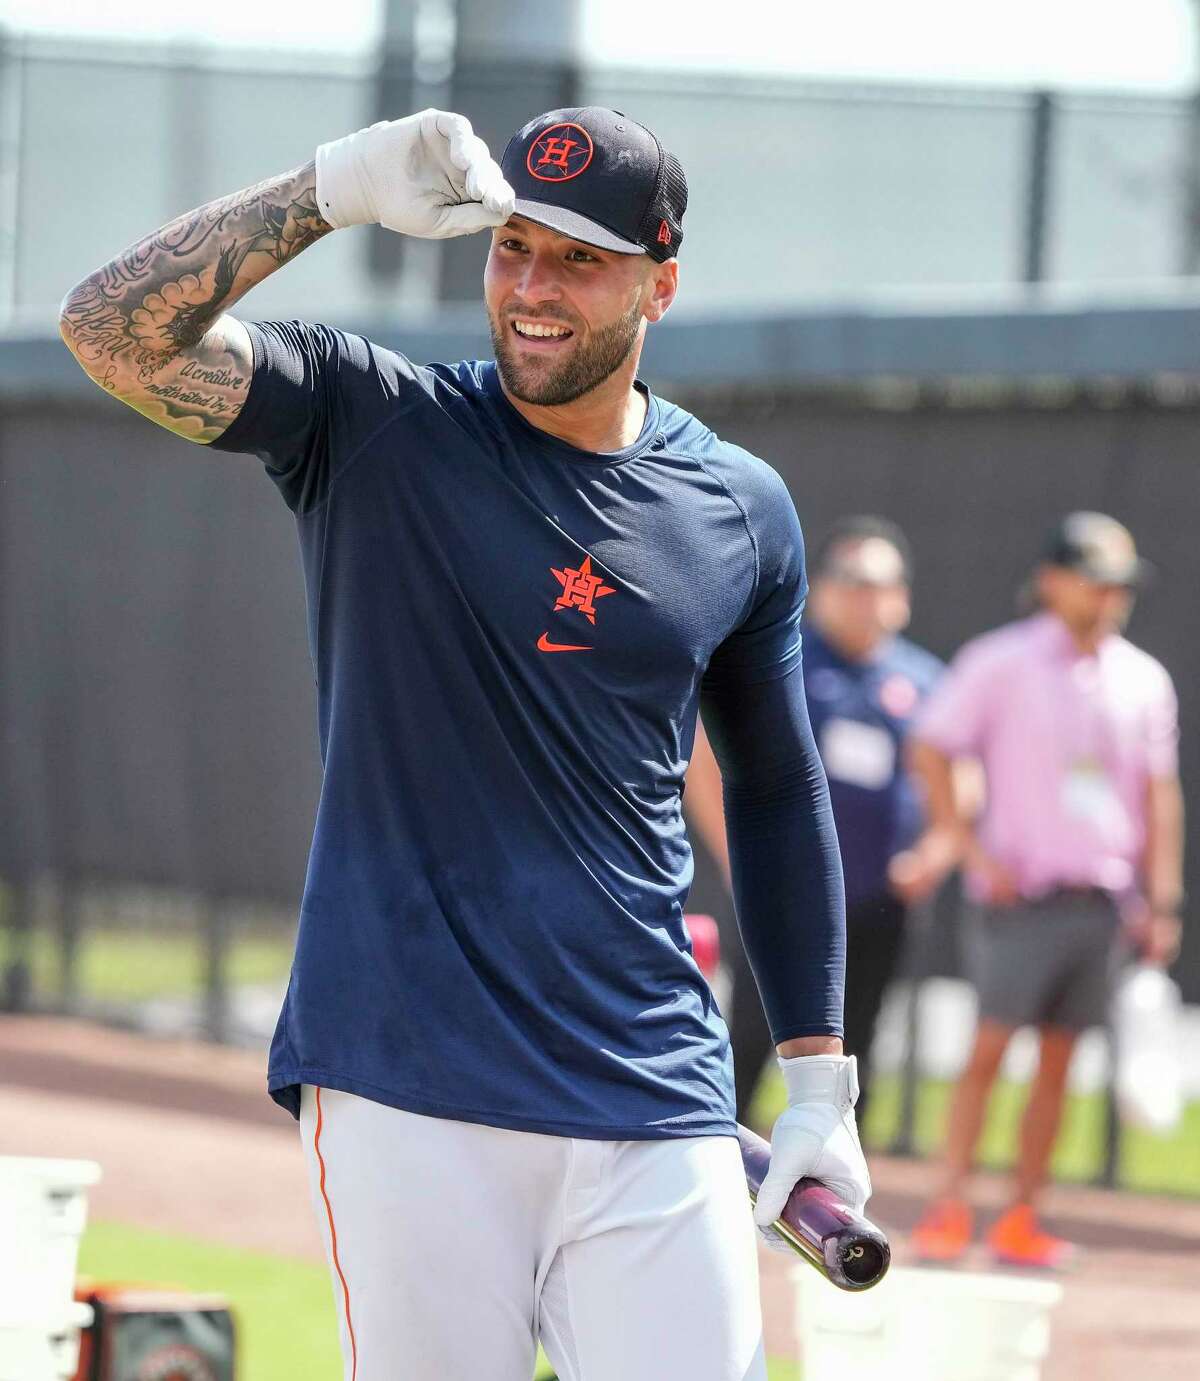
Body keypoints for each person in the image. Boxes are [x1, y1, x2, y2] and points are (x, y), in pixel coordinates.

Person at [59, 107, 871, 1380]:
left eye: (581, 260)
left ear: (661, 283)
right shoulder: (372, 421)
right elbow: (109, 331)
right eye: (515, 247)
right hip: (407, 1079)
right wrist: (328, 190)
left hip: (654, 1081)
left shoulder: (741, 506)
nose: (534, 288)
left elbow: (774, 784)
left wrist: (820, 1080)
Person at [907, 512, 1184, 1268]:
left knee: (1062, 1065)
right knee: (988, 1052)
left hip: (1102, 902)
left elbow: (1159, 795)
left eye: (1119, 585)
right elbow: (933, 744)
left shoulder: (1143, 679)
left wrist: (1162, 900)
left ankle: (1023, 1215)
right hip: (1017, 898)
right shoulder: (1001, 661)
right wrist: (968, 846)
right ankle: (947, 1206)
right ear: (1054, 580)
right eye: (1096, 580)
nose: (1109, 597)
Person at [685, 517, 944, 1124]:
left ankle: (836, 1199)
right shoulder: (782, 659)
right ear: (821, 587)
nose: (867, 597)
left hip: (876, 904)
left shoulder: (924, 681)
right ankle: (724, 1176)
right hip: (781, 888)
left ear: (902, 597)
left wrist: (933, 853)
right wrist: (740, 855)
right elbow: (703, 756)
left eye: (882, 583)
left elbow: (961, 783)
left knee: (858, 1053)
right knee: (749, 1038)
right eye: (852, 580)